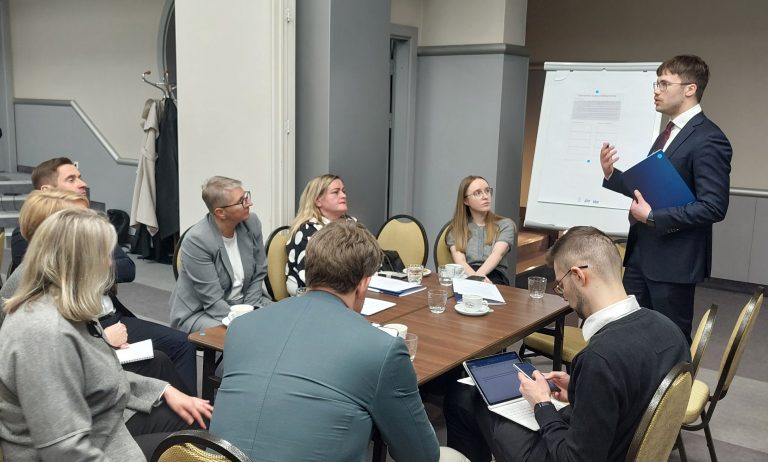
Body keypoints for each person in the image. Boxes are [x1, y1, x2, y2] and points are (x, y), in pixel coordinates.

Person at [443, 226, 690, 462]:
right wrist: (579, 390)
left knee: (463, 397)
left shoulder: (600, 358)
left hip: (573, 453)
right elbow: (634, 388)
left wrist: (542, 405)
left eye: (561, 285)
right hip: (616, 445)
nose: (565, 297)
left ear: (578, 276)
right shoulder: (669, 330)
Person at [209, 221, 440, 461]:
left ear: (308, 272)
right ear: (363, 284)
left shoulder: (240, 328)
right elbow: (422, 456)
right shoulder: (382, 349)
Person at [0, 208, 213, 461]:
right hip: (91, 444)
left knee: (194, 418)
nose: (111, 264)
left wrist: (164, 390)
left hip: (101, 426)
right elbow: (65, 450)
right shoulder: (43, 333)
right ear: (79, 262)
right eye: (104, 255)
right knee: (193, 438)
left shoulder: (64, 307)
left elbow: (100, 375)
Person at [10, 157, 198, 394]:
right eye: (71, 179)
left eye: (80, 177)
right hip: (85, 328)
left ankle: (189, 410)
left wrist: (89, 265)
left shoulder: (90, 226)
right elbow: (54, 288)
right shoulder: (29, 245)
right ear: (46, 190)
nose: (83, 184)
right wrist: (103, 338)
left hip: (109, 317)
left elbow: (127, 268)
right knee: (158, 361)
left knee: (181, 344)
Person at [600, 55, 731, 343]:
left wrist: (652, 217)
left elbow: (713, 207)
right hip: (641, 256)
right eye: (656, 84)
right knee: (630, 336)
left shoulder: (709, 138)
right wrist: (612, 175)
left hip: (674, 263)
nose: (656, 91)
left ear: (690, 89)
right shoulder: (668, 133)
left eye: (664, 84)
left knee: (669, 341)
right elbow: (651, 191)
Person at [170, 176, 271, 332]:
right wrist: (243, 321)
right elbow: (212, 301)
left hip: (245, 304)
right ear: (220, 212)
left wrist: (250, 309)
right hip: (202, 312)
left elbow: (259, 271)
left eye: (246, 196)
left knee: (286, 320)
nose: (249, 203)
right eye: (242, 201)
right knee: (251, 333)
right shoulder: (197, 240)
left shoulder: (251, 223)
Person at [285, 174, 350, 295]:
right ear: (318, 200)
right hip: (312, 295)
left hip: (349, 289)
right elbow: (316, 279)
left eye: (343, 191)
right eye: (336, 192)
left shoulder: (352, 223)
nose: (343, 195)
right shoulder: (306, 231)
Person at [446, 175, 516, 285]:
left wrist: (478, 278)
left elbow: (497, 254)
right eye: (478, 193)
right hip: (466, 274)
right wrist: (475, 279)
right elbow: (460, 261)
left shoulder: (505, 225)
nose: (485, 196)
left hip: (495, 275)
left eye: (487, 191)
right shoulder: (456, 229)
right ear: (466, 201)